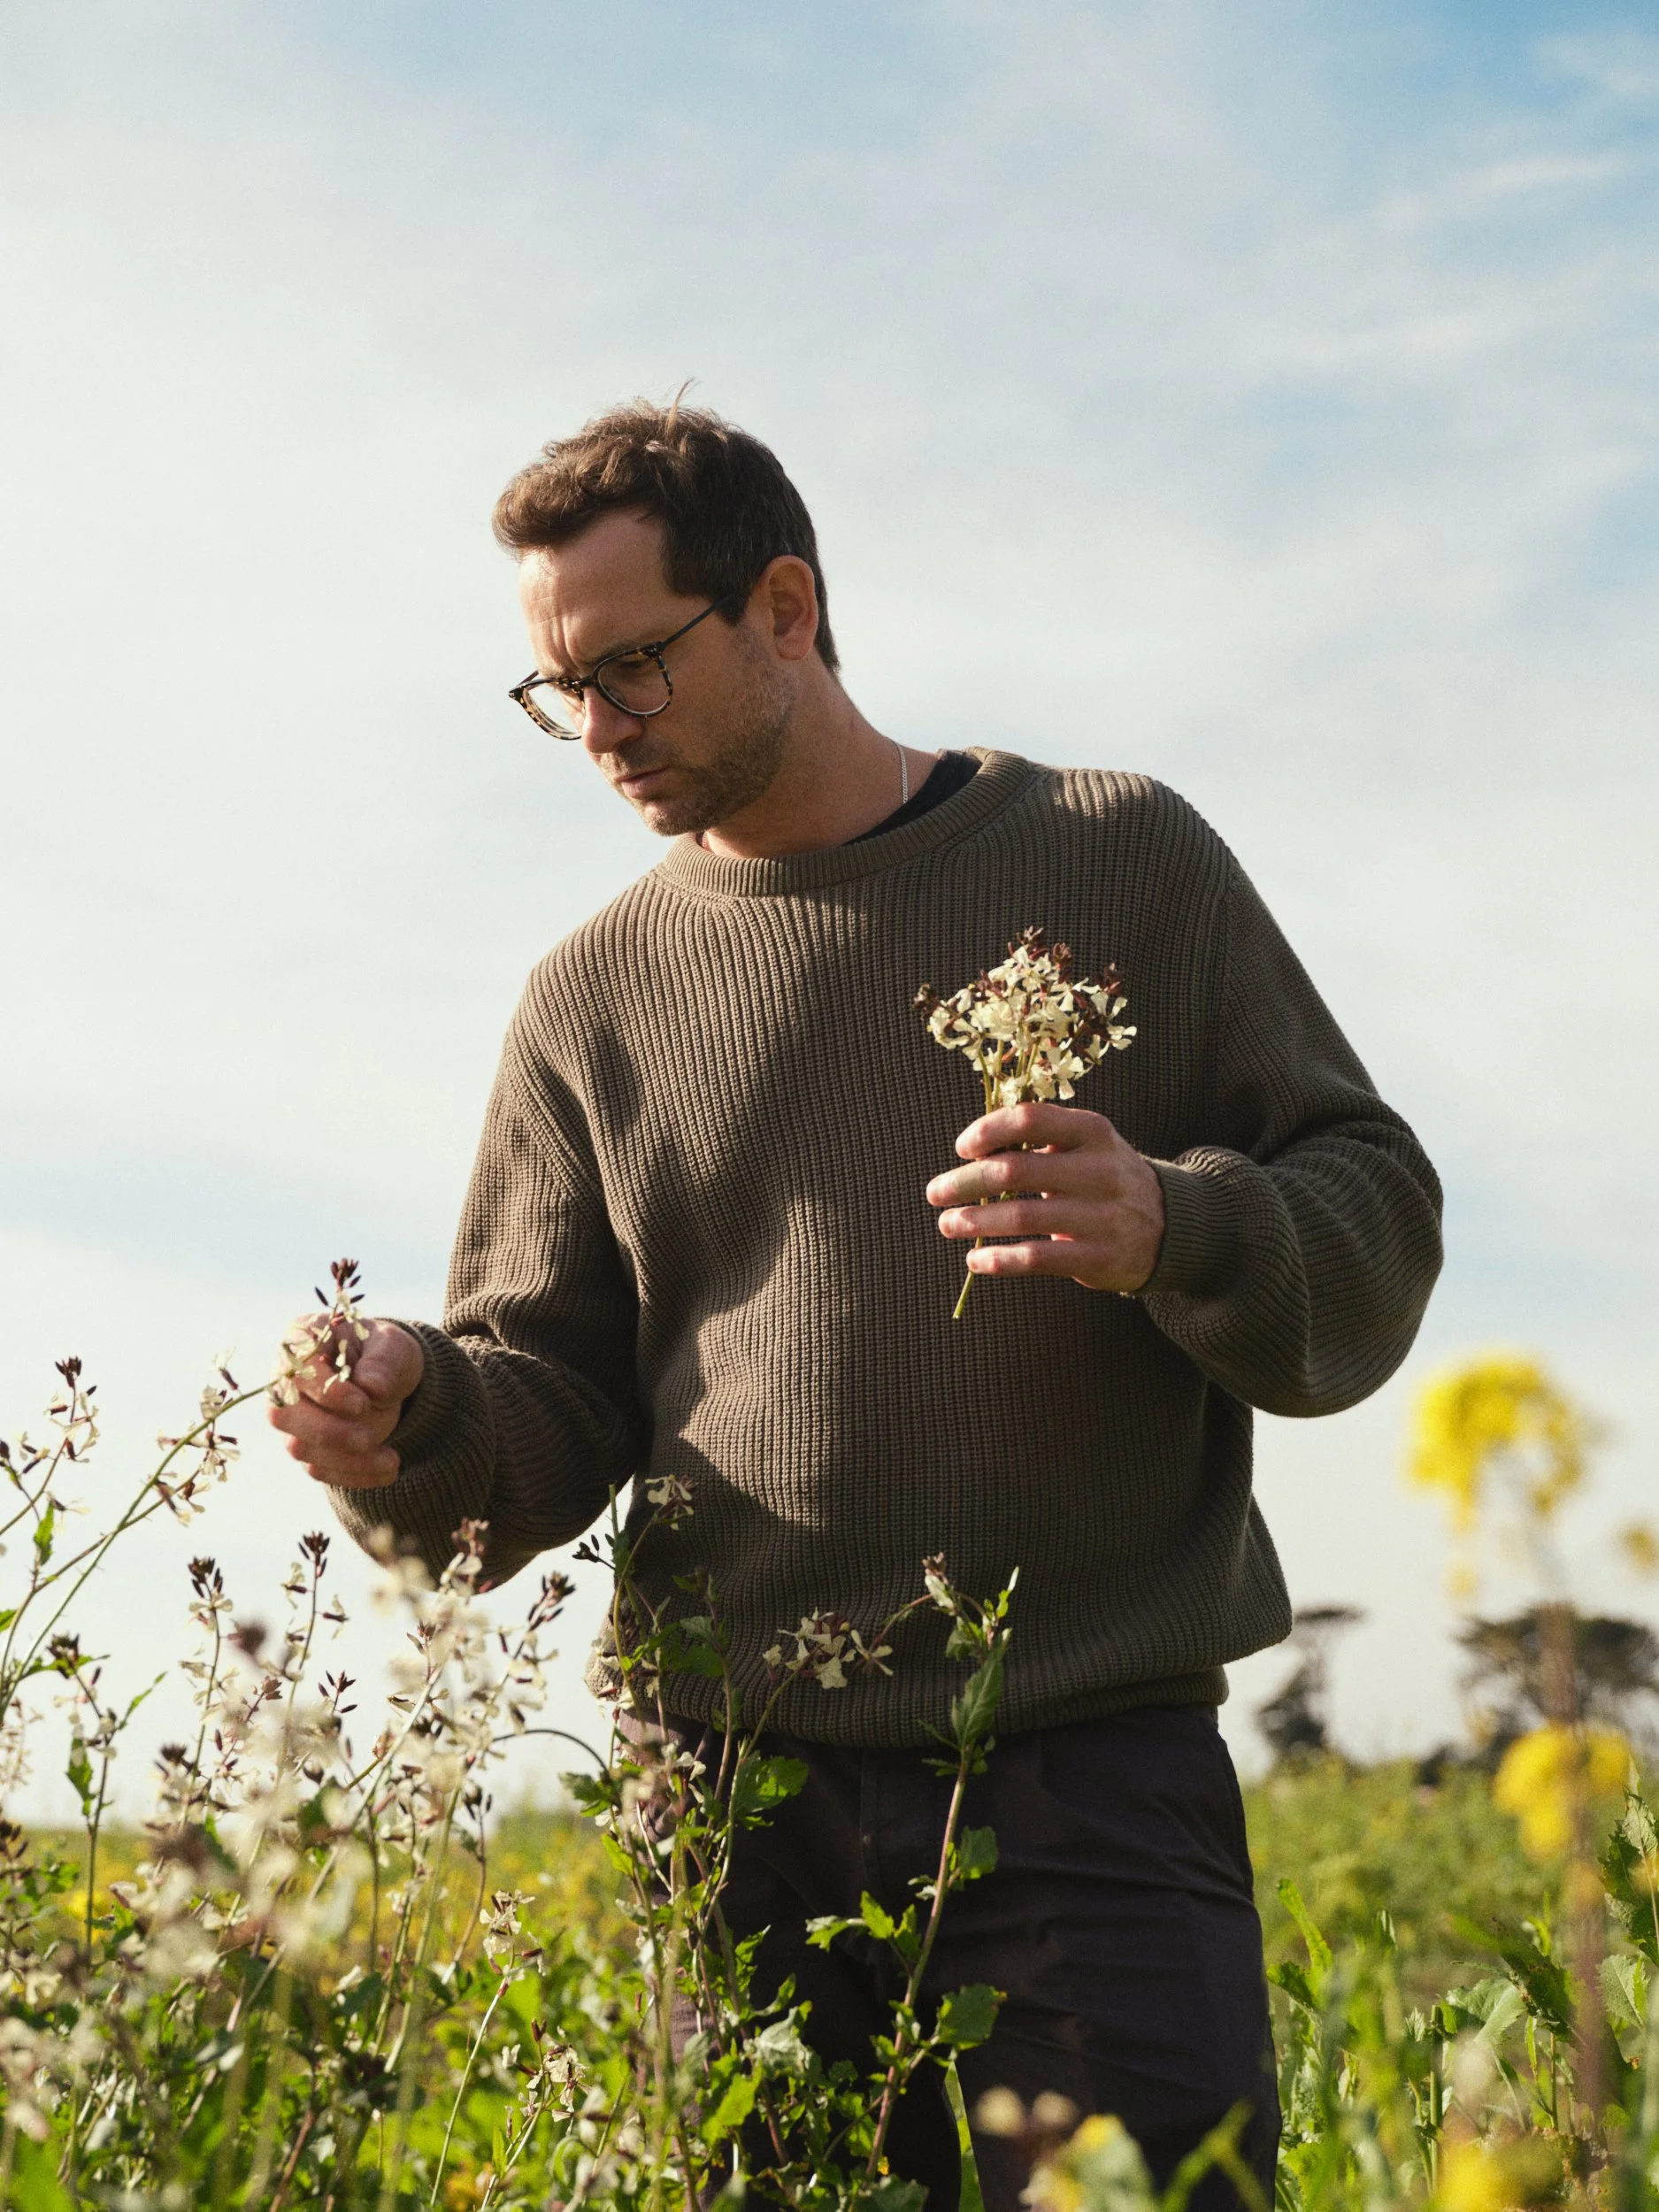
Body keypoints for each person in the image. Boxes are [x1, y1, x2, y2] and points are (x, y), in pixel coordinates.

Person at [269, 400, 1442, 2210]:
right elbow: (551, 1402)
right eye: (555, 689)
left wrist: (1173, 1220)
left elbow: (1373, 1207)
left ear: (788, 608)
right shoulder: (588, 995)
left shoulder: (1121, 853)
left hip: (1088, 1789)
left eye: (634, 668)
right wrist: (415, 1404)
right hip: (733, 1810)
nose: (595, 730)